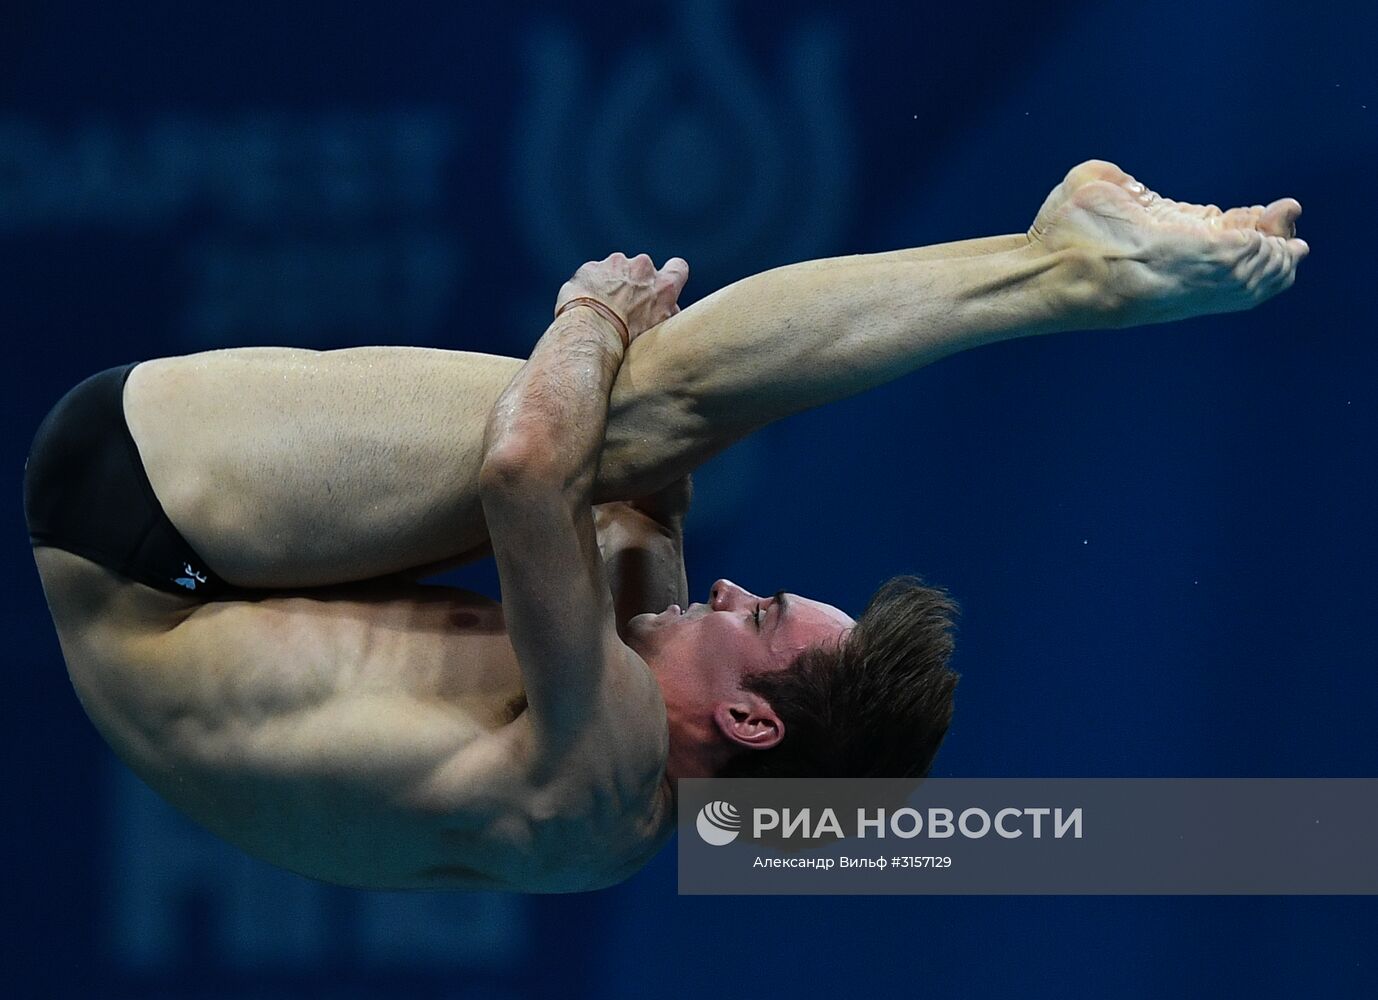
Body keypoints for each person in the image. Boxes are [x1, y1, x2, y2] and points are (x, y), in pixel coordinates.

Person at [25, 160, 1307, 892]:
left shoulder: (607, 760)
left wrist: (589, 312)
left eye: (756, 619)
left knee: (634, 408)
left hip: (145, 517)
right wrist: (640, 451)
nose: (737, 587)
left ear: (750, 720)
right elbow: (635, 504)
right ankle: (1059, 265)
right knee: (646, 433)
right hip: (180, 569)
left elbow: (533, 471)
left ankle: (1062, 270)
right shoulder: (626, 805)